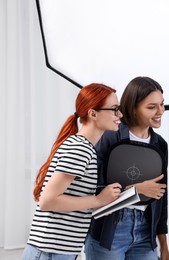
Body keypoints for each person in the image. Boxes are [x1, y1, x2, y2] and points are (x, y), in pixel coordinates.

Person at [22, 83, 124, 260]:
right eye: (115, 109)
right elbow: (48, 201)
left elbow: (69, 200)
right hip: (50, 251)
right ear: (93, 114)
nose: (120, 115)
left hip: (58, 250)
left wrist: (100, 203)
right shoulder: (80, 148)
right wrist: (98, 199)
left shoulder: (83, 147)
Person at [84, 76, 169, 260]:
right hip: (109, 231)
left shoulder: (160, 144)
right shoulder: (109, 137)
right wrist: (134, 190)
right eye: (151, 107)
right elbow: (93, 188)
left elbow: (162, 198)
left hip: (145, 232)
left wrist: (163, 245)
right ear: (133, 108)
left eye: (162, 104)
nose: (160, 111)